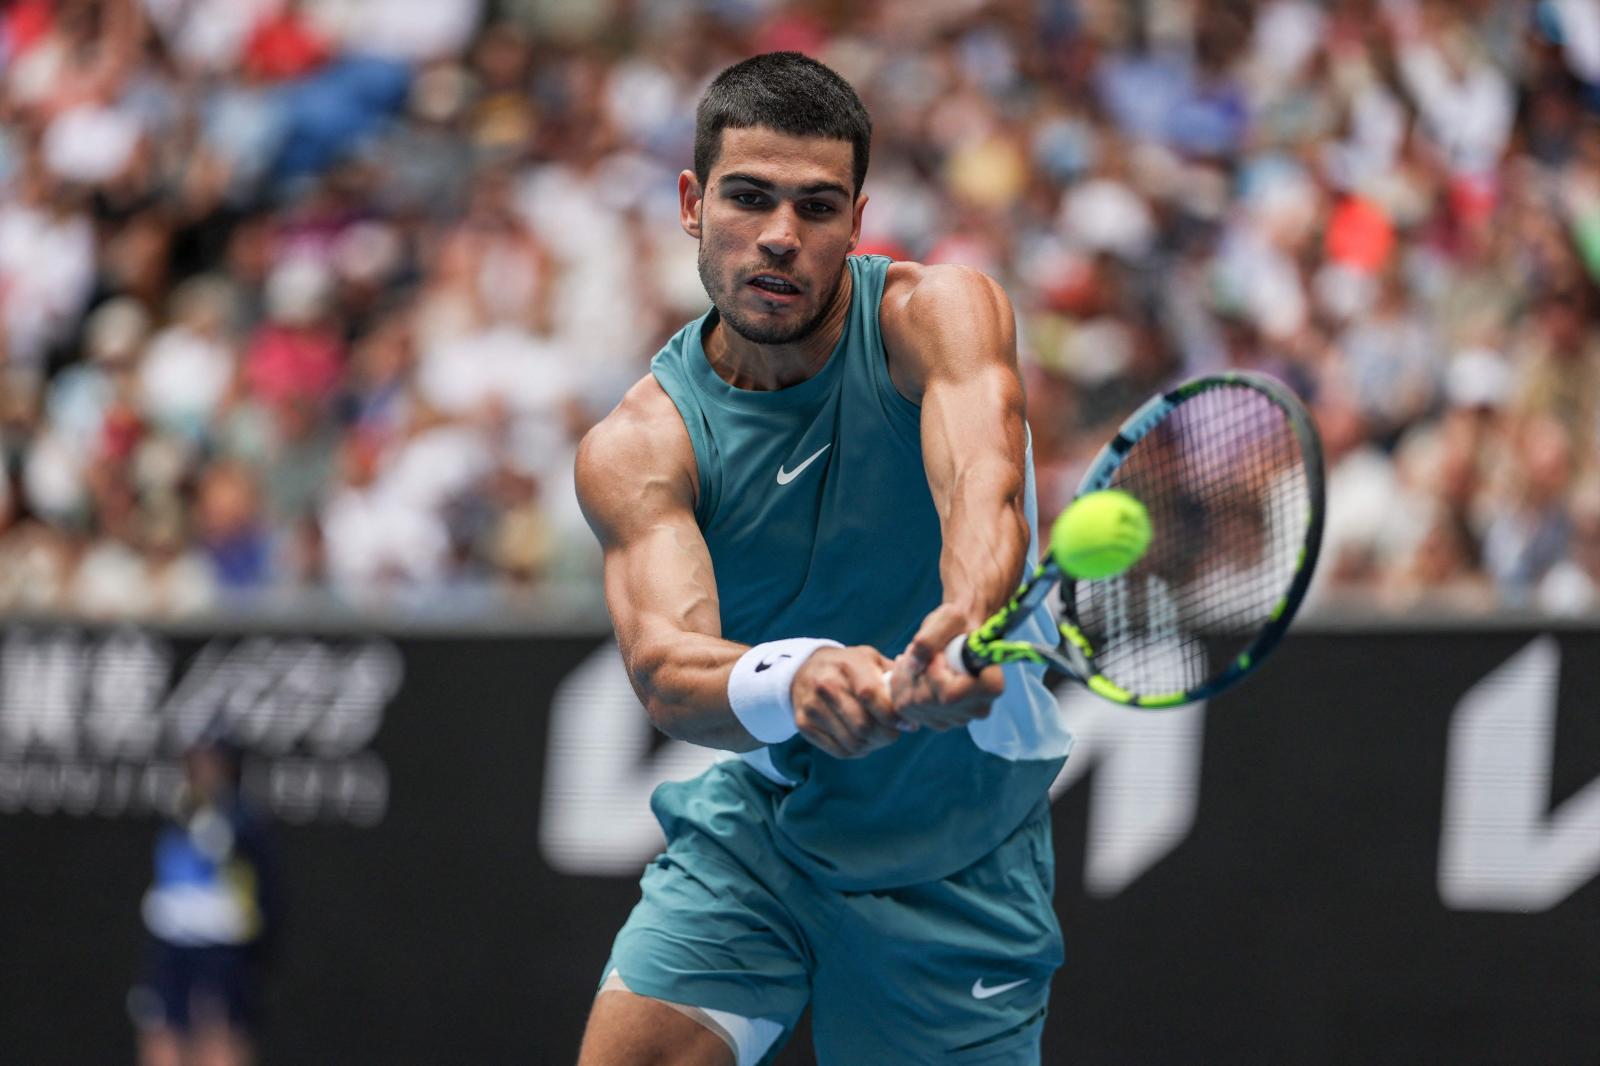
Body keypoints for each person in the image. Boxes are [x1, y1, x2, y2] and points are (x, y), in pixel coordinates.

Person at [574, 52, 1072, 1065]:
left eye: (815, 208)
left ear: (856, 218)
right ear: (689, 201)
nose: (778, 238)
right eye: (748, 198)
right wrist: (795, 679)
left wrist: (963, 621)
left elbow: (983, 483)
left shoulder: (938, 315)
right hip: (765, 827)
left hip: (960, 854)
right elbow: (669, 672)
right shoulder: (640, 445)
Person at [128, 739, 278, 1066]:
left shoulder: (244, 821)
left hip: (221, 949)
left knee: (219, 1028)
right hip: (172, 946)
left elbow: (265, 894)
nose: (202, 769)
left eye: (210, 761)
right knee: (161, 1027)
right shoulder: (176, 814)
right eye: (195, 761)